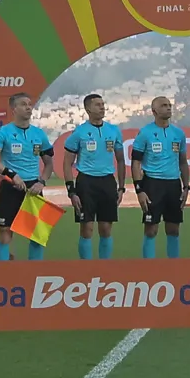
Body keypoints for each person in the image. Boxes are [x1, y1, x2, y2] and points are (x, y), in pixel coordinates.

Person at [62, 92, 129, 262]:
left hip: (107, 181)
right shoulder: (79, 132)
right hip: (86, 182)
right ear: (87, 109)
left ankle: (104, 269)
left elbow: (121, 161)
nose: (102, 107)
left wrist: (121, 187)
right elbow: (67, 163)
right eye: (98, 104)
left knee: (106, 228)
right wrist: (71, 191)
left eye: (103, 104)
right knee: (87, 228)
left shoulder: (113, 131)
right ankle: (87, 269)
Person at [0, 91, 54, 261]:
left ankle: (34, 274)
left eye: (30, 104)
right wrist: (11, 175)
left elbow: (49, 164)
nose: (28, 107)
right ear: (14, 108)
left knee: (37, 236)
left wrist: (42, 182)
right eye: (23, 104)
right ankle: (2, 275)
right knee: (5, 232)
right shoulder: (4, 132)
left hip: (34, 188)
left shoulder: (39, 134)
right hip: (11, 185)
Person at [130, 96, 189, 260]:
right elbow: (136, 163)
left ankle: (174, 267)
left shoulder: (178, 134)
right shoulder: (145, 133)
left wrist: (186, 187)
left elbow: (183, 162)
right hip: (152, 184)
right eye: (164, 105)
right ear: (154, 110)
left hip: (173, 184)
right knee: (151, 229)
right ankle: (149, 269)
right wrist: (139, 190)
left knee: (173, 229)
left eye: (169, 105)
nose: (168, 108)